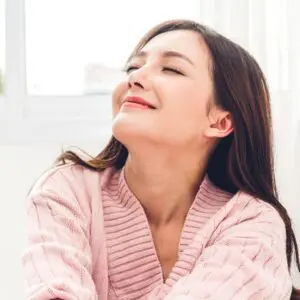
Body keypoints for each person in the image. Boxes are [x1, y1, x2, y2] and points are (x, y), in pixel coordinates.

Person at [22, 19, 300, 300]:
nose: (135, 78)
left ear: (220, 122)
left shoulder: (252, 222)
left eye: (171, 69)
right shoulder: (68, 191)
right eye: (133, 67)